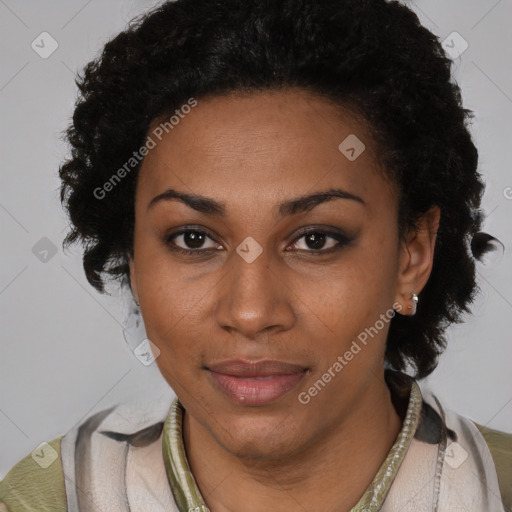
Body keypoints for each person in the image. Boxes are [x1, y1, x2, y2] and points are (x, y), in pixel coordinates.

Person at [1, 0, 511, 510]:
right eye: (194, 239)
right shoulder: (51, 498)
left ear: (412, 255)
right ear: (132, 256)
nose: (250, 312)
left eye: (316, 239)